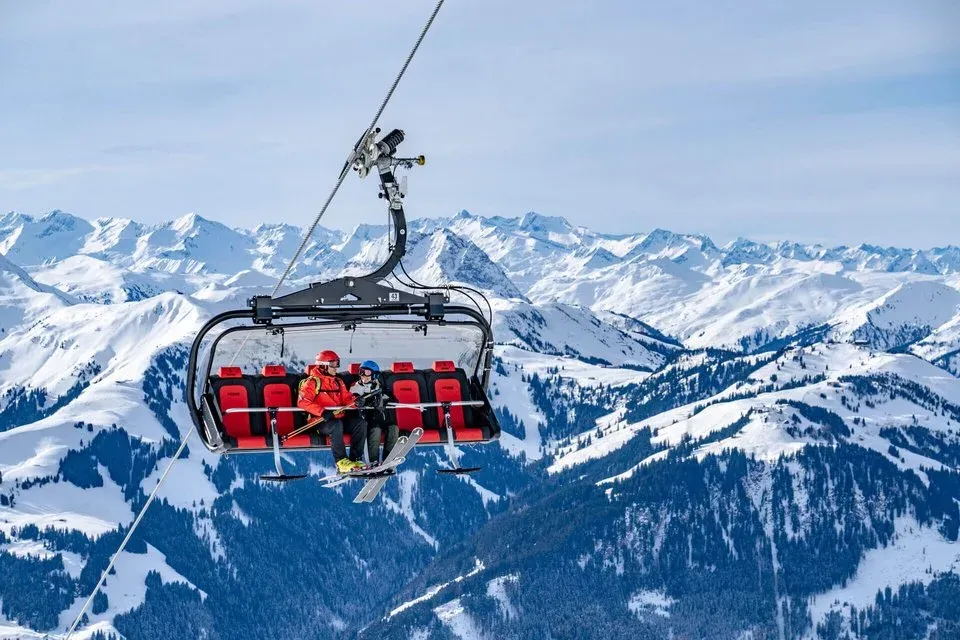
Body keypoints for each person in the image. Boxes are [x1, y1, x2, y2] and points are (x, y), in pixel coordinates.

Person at [297, 349, 367, 473]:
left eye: (337, 364)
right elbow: (302, 402)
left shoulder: (338, 382)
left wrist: (355, 401)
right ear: (323, 366)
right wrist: (322, 412)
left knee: (360, 423)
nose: (336, 368)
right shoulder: (312, 382)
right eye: (333, 365)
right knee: (336, 425)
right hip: (320, 421)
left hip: (338, 418)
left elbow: (347, 399)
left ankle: (355, 458)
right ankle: (341, 462)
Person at [350, 360, 399, 466]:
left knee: (393, 428)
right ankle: (373, 461)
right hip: (366, 419)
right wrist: (365, 401)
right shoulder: (355, 387)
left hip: (381, 417)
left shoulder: (379, 386)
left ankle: (388, 459)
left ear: (374, 375)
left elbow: (394, 399)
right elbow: (354, 400)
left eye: (367, 373)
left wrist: (384, 399)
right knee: (375, 430)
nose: (363, 375)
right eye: (361, 372)